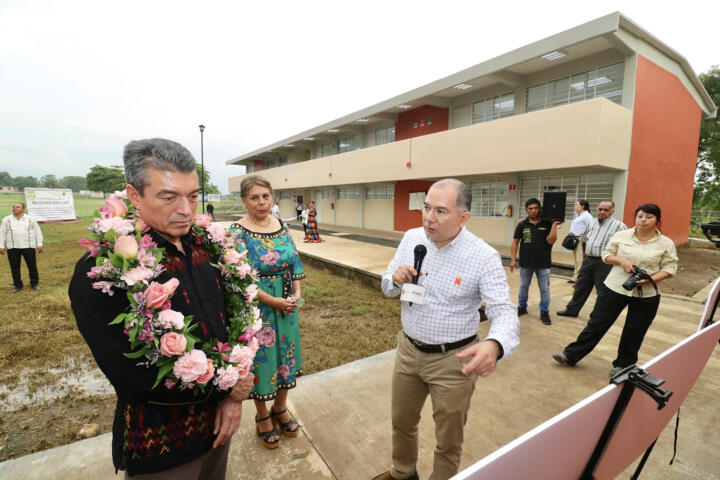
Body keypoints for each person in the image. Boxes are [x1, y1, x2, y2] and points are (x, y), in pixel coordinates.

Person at [69, 138, 254, 478]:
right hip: (162, 446)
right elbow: (134, 376)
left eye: (193, 195)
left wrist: (233, 395)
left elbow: (236, 325)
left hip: (218, 430)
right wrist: (229, 388)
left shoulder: (207, 247)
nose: (186, 209)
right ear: (135, 195)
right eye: (169, 197)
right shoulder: (104, 271)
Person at [374, 178, 519, 480]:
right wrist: (395, 279)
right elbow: (387, 285)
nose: (429, 217)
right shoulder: (412, 237)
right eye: (426, 207)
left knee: (448, 439)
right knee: (401, 421)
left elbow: (503, 311)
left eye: (441, 211)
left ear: (463, 217)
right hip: (408, 350)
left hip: (453, 362)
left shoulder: (483, 256)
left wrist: (495, 344)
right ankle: (401, 473)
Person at [553, 203, 678, 377]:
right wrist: (621, 261)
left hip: (647, 294)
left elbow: (670, 268)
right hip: (615, 287)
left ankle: (623, 365)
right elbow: (606, 254)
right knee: (597, 323)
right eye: (640, 216)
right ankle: (571, 354)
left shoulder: (666, 243)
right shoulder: (622, 235)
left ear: (657, 220)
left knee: (635, 331)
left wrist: (649, 280)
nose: (643, 220)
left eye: (649, 217)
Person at [233, 175, 305, 449]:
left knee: (288, 354)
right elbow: (241, 278)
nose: (261, 202)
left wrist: (296, 294)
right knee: (262, 362)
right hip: (257, 307)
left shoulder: (281, 225)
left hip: (287, 305)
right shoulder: (237, 233)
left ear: (272, 197)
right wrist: (273, 301)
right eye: (254, 197)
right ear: (244, 201)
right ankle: (262, 414)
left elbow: (293, 261)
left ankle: (280, 407)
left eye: (265, 196)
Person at [557, 200, 626, 318]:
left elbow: (624, 246)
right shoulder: (592, 223)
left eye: (606, 210)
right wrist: (584, 256)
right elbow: (583, 240)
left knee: (602, 290)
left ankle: (597, 314)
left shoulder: (620, 226)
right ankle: (572, 310)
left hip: (605, 263)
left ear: (612, 211)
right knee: (580, 286)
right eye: (600, 209)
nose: (602, 212)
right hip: (588, 260)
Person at [510, 198, 562, 325]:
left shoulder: (547, 223)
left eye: (535, 208)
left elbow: (551, 241)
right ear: (526, 210)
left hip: (543, 263)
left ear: (539, 209)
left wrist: (554, 226)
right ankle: (522, 308)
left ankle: (544, 312)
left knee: (544, 289)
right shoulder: (522, 225)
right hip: (526, 262)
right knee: (523, 286)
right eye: (530, 209)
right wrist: (513, 260)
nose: (533, 211)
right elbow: (515, 242)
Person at [0, 202, 43, 293]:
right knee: (14, 267)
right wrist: (1, 245)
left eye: (17, 207)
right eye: (13, 207)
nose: (15, 208)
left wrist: (39, 244)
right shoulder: (6, 219)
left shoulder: (30, 219)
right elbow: (2, 233)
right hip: (13, 247)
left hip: (28, 246)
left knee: (32, 266)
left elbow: (37, 232)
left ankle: (34, 283)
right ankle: (18, 285)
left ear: (23, 209)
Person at [567, 200, 592, 283]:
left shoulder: (587, 216)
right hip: (574, 240)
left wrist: (584, 239)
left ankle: (580, 281)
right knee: (575, 260)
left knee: (580, 260)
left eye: (577, 205)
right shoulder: (578, 215)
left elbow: (590, 229)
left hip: (581, 241)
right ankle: (575, 278)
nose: (575, 206)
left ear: (583, 206)